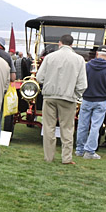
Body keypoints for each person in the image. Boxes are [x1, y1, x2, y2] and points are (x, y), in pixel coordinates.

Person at [36, 34, 87, 164]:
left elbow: (39, 77)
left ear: (60, 43)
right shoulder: (79, 59)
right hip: (68, 97)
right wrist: (75, 94)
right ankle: (66, 158)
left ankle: (48, 157)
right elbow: (82, 83)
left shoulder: (49, 57)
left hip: (50, 96)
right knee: (67, 128)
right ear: (72, 44)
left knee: (48, 127)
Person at [76, 45, 106, 159]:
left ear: (96, 54)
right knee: (95, 126)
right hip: (101, 100)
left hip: (87, 98)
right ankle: (89, 151)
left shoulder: (87, 66)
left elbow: (80, 81)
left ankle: (80, 149)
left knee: (82, 125)